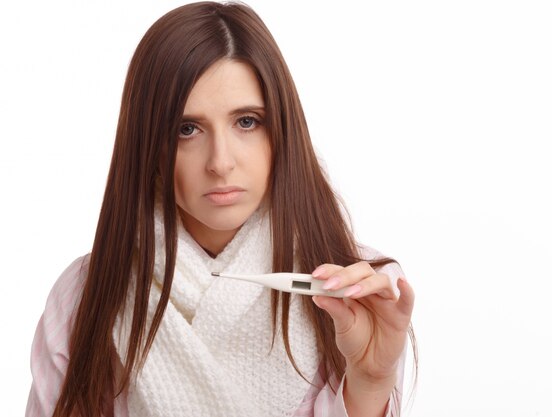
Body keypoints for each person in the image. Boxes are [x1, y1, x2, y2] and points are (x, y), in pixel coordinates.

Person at [25, 2, 416, 416]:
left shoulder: (362, 291)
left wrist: (370, 385)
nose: (220, 162)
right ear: (148, 144)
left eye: (246, 122)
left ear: (282, 129)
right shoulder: (85, 296)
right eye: (186, 129)